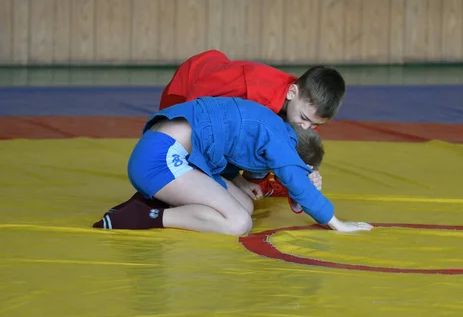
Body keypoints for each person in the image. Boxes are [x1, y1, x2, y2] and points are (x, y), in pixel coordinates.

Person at [102, 49, 346, 216]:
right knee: (196, 149)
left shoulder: (299, 106)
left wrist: (306, 176)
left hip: (221, 102)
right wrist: (230, 175)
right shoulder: (253, 89)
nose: (306, 126)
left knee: (257, 145)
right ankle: (154, 201)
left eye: (314, 125)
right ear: (292, 93)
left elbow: (291, 151)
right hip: (191, 88)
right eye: (305, 119)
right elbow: (200, 112)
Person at [92, 97, 373, 236]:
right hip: (159, 159)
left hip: (172, 153)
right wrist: (335, 221)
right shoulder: (277, 140)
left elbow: (228, 159)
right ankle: (147, 214)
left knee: (245, 203)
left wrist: (294, 186)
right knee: (239, 223)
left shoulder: (272, 127)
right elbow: (293, 179)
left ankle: (161, 198)